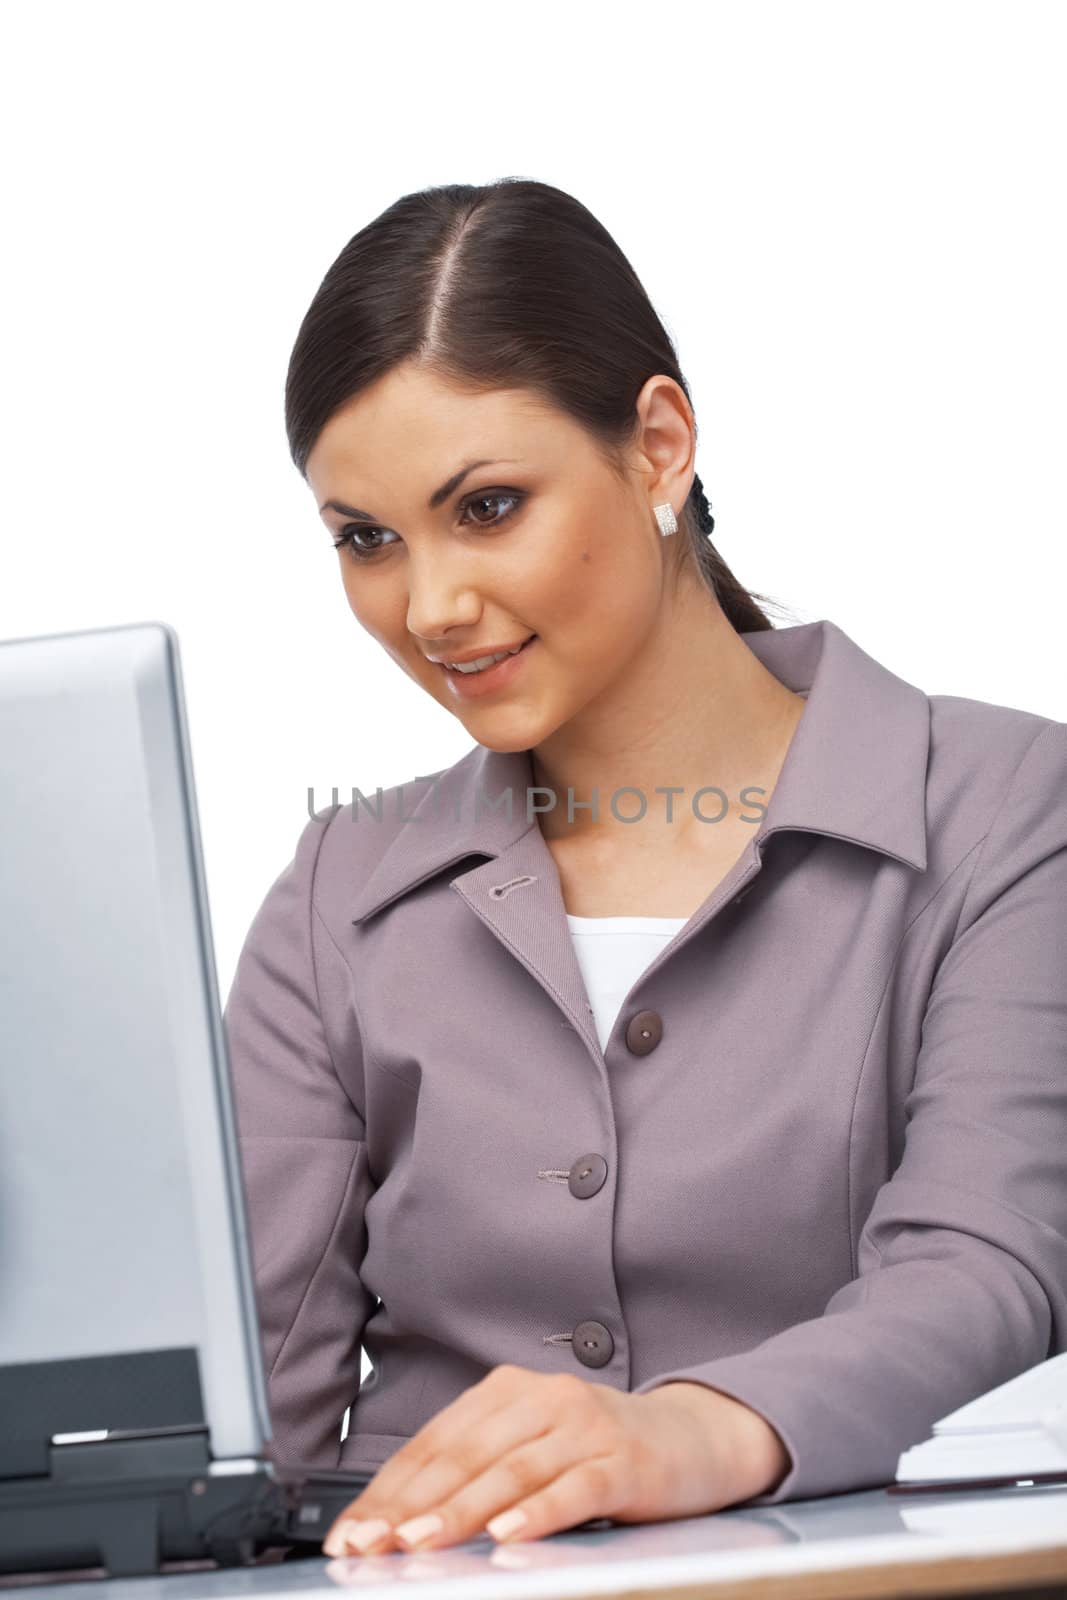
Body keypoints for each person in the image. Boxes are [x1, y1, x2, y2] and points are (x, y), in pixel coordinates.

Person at [222, 178, 1067, 1560]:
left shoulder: (1004, 812)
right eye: (367, 539)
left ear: (660, 447)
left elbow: (989, 1270)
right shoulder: (340, 888)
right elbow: (244, 1402)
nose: (429, 606)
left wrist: (684, 1430)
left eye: (487, 506)